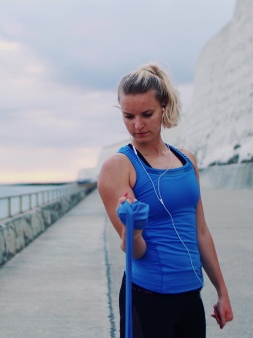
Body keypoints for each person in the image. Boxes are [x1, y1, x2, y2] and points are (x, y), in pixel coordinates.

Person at [98, 63, 233, 337]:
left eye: (147, 114)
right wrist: (133, 230)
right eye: (128, 116)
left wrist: (222, 291)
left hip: (190, 296)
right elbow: (135, 251)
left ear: (164, 107)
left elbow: (201, 232)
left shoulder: (187, 160)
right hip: (147, 298)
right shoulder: (118, 167)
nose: (137, 125)